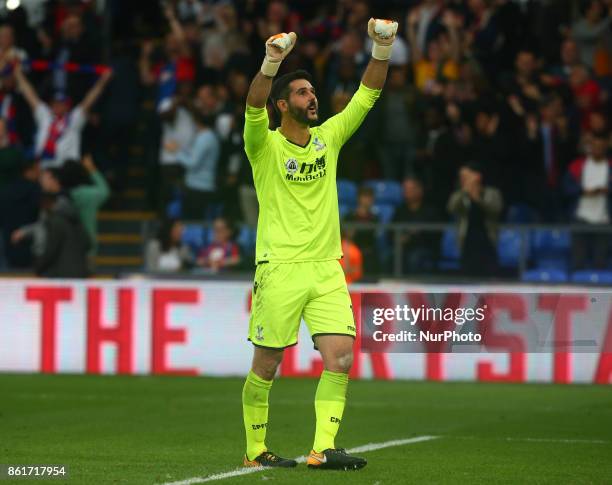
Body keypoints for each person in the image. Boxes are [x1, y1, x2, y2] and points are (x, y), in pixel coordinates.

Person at [241, 18, 398, 470]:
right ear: (283, 105)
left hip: (328, 267)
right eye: (304, 94)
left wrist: (382, 48)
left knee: (342, 356)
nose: (313, 99)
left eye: (313, 92)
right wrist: (272, 61)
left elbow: (366, 97)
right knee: (267, 366)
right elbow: (252, 105)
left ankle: (322, 449)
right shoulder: (265, 147)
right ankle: (256, 451)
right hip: (280, 268)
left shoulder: (327, 139)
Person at [13, 62, 112, 168]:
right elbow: (29, 94)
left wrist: (104, 80)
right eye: (55, 103)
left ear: (67, 107)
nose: (57, 106)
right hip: (42, 167)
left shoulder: (74, 118)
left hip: (66, 169)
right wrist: (18, 74)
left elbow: (90, 98)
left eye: (61, 104)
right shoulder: (45, 115)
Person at [565, 133, 612, 269]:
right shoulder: (578, 165)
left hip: (603, 220)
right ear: (589, 147)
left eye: (600, 146)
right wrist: (582, 191)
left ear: (605, 147)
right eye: (594, 146)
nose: (597, 149)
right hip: (580, 218)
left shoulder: (610, 166)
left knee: (600, 263)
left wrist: (607, 190)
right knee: (578, 263)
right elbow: (566, 189)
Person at [448, 162, 503, 277]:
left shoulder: (492, 193)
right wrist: (464, 192)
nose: (463, 179)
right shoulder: (460, 194)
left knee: (488, 276)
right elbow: (451, 208)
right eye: (461, 177)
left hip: (487, 241)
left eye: (466, 176)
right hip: (467, 241)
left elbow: (496, 209)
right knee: (468, 276)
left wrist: (477, 198)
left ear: (478, 176)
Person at [166, 111, 220, 220]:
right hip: (202, 187)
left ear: (198, 122)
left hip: (198, 188)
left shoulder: (204, 138)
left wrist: (175, 152)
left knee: (193, 222)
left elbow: (192, 163)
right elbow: (195, 155)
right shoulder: (210, 136)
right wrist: (179, 149)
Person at [393, 177, 439, 274]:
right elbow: (391, 230)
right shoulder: (400, 210)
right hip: (403, 247)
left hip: (424, 248)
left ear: (419, 191)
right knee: (389, 255)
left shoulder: (430, 211)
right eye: (405, 190)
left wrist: (415, 235)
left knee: (414, 257)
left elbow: (435, 236)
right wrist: (398, 238)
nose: (406, 192)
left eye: (410, 189)